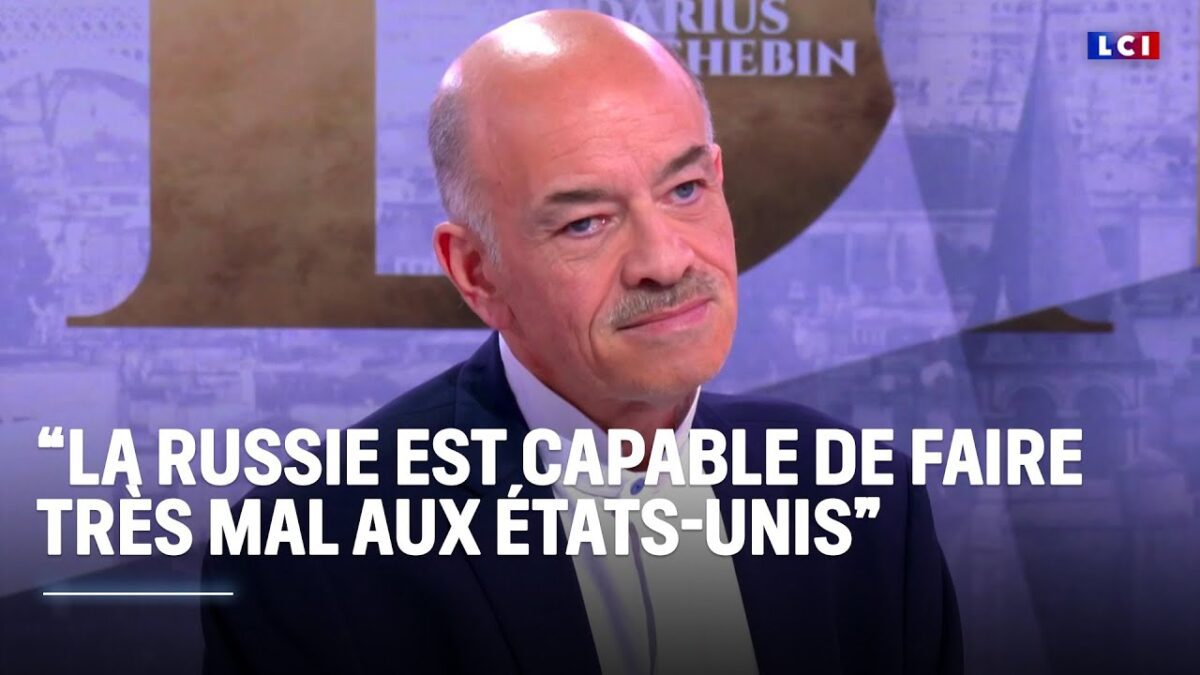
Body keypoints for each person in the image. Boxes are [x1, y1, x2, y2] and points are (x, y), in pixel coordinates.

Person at [202, 9, 961, 674]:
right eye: (585, 223)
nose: (665, 260)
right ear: (477, 272)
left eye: (685, 190)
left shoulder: (865, 501)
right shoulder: (314, 555)